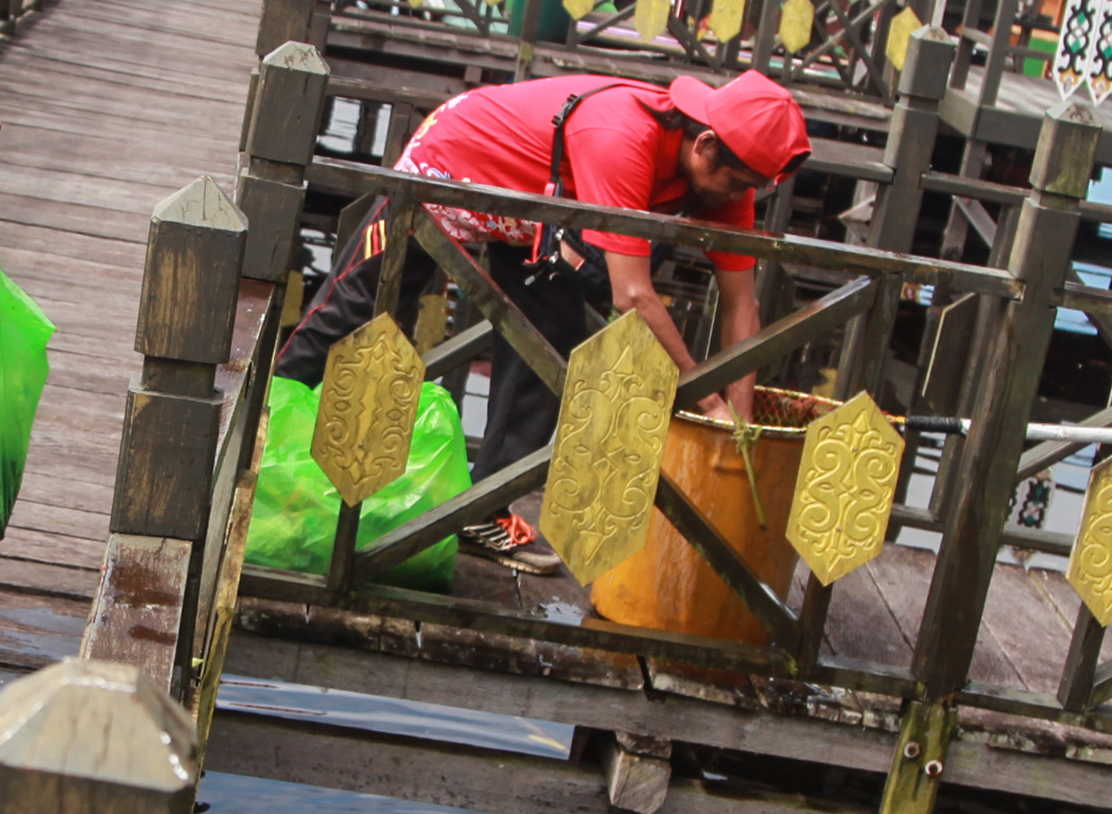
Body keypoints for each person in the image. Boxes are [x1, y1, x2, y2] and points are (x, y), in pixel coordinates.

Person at [273, 69, 809, 573]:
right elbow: (632, 296)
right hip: (456, 163)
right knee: (362, 312)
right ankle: (259, 432)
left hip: (538, 213)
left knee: (547, 343)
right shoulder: (623, 134)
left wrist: (740, 421)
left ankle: (481, 511)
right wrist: (704, 396)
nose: (744, 197)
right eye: (740, 183)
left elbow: (743, 306)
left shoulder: (724, 179)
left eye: (753, 187)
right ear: (705, 145)